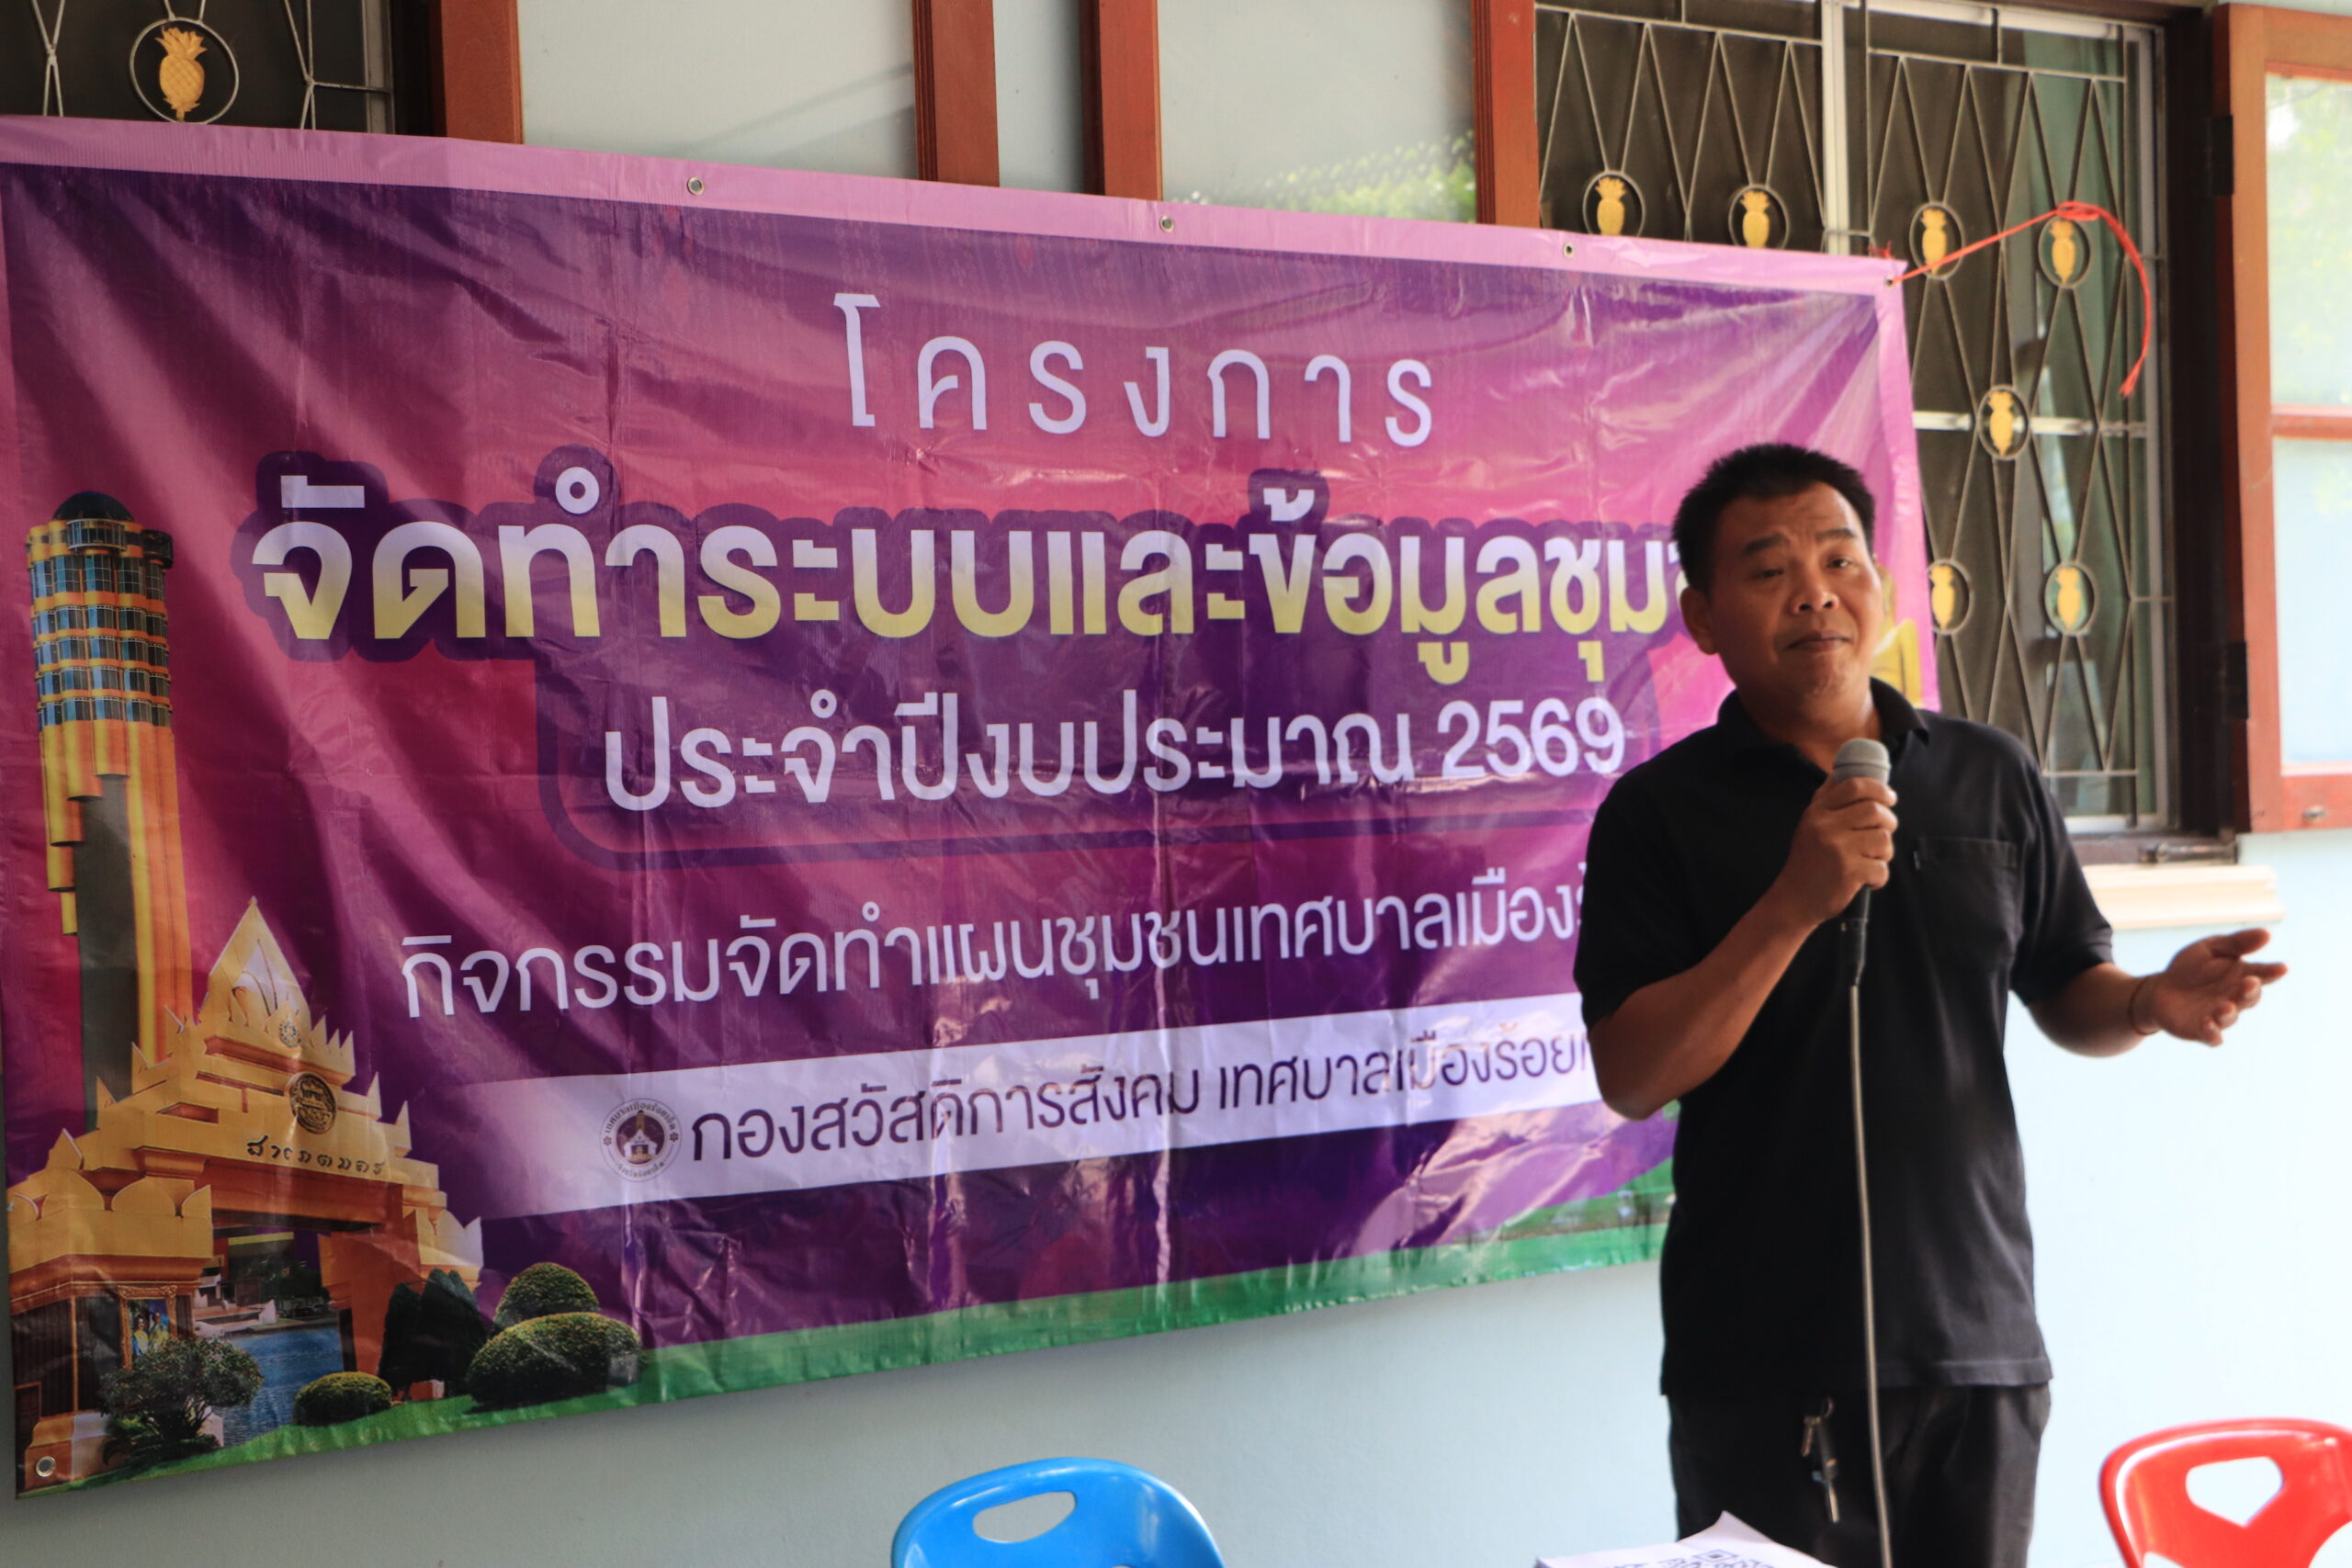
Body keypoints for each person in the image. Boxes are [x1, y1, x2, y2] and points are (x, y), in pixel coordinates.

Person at [1573, 444, 2286, 1568]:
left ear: (1881, 587)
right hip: (1763, 1354)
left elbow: (2066, 986)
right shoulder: (1656, 815)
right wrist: (1792, 904)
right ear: (1702, 619)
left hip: (1976, 1340)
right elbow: (1633, 1073)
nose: (1814, 592)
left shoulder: (1987, 774)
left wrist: (2150, 1001)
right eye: (1768, 570)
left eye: (1838, 558)